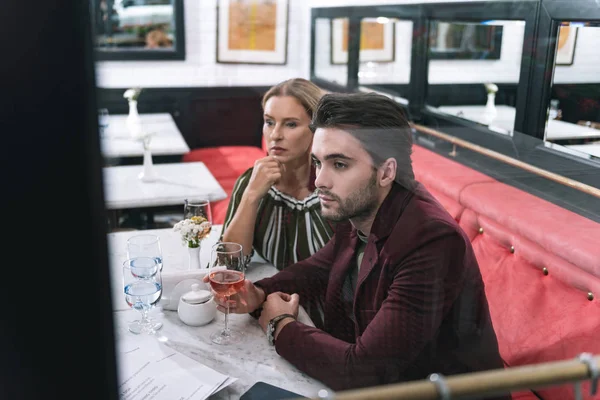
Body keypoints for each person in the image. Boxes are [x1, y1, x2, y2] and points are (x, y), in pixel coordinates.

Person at [209, 92, 508, 396]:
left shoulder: (432, 241)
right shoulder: (360, 208)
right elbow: (320, 267)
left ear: (386, 172)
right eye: (318, 162)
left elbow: (365, 372)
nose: (320, 181)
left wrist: (280, 326)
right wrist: (259, 292)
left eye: (339, 164)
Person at [221, 78, 335, 271]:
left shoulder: (336, 185)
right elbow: (230, 265)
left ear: (316, 129)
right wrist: (251, 196)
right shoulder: (251, 180)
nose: (275, 135)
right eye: (269, 122)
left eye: (290, 124)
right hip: (268, 293)